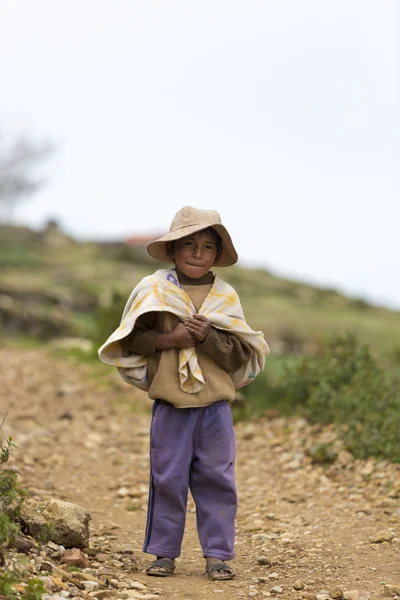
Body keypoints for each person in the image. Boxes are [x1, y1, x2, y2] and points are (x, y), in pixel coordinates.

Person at [99, 206, 269, 580]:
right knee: (168, 478)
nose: (197, 253)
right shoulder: (154, 291)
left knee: (217, 480)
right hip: (171, 405)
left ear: (216, 255)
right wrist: (170, 339)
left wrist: (208, 337)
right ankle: (163, 554)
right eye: (189, 244)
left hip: (216, 409)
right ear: (173, 249)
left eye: (207, 246)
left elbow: (239, 353)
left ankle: (218, 555)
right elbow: (132, 340)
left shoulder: (225, 298)